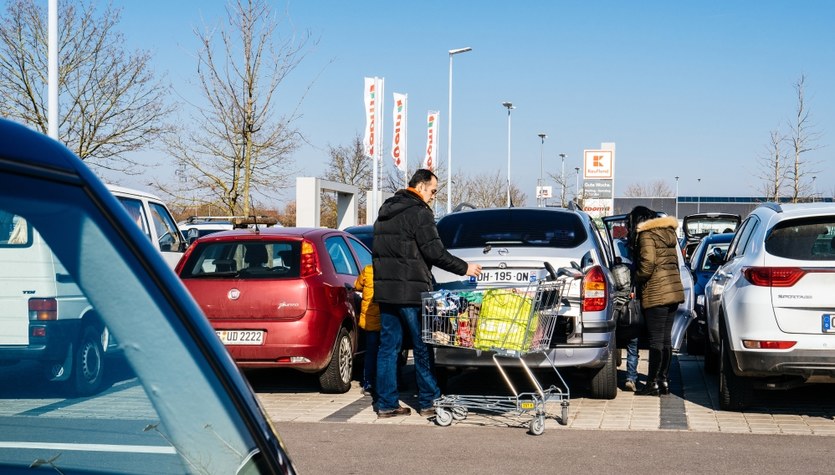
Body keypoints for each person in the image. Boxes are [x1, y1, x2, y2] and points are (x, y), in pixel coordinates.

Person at [372, 169, 482, 418]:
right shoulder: (419, 213)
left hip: (386, 291)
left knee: (388, 348)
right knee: (423, 346)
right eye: (433, 191)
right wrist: (466, 268)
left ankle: (387, 404)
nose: (433, 196)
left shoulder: (385, 212)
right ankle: (430, 401)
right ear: (421, 186)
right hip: (411, 292)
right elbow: (434, 252)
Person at [627, 206, 684, 396]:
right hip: (673, 291)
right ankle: (664, 380)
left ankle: (652, 383)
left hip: (657, 292)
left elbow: (648, 264)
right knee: (666, 339)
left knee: (655, 340)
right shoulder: (667, 233)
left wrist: (636, 278)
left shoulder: (646, 235)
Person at [354, 264, 380, 402]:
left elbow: (357, 285)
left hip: (370, 318)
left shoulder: (368, 269)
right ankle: (395, 381)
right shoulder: (390, 268)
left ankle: (368, 383)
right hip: (386, 318)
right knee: (391, 352)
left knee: (371, 351)